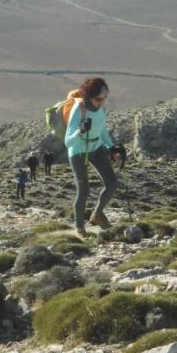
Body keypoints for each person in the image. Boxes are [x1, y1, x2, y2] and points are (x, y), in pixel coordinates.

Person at [64, 77, 122, 238]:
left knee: (112, 183)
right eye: (98, 99)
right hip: (78, 151)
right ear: (89, 96)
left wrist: (112, 147)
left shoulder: (102, 106)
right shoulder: (79, 109)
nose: (101, 102)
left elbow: (102, 129)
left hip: (97, 147)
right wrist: (80, 131)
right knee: (84, 191)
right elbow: (68, 142)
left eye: (104, 98)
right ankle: (79, 227)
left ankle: (97, 214)